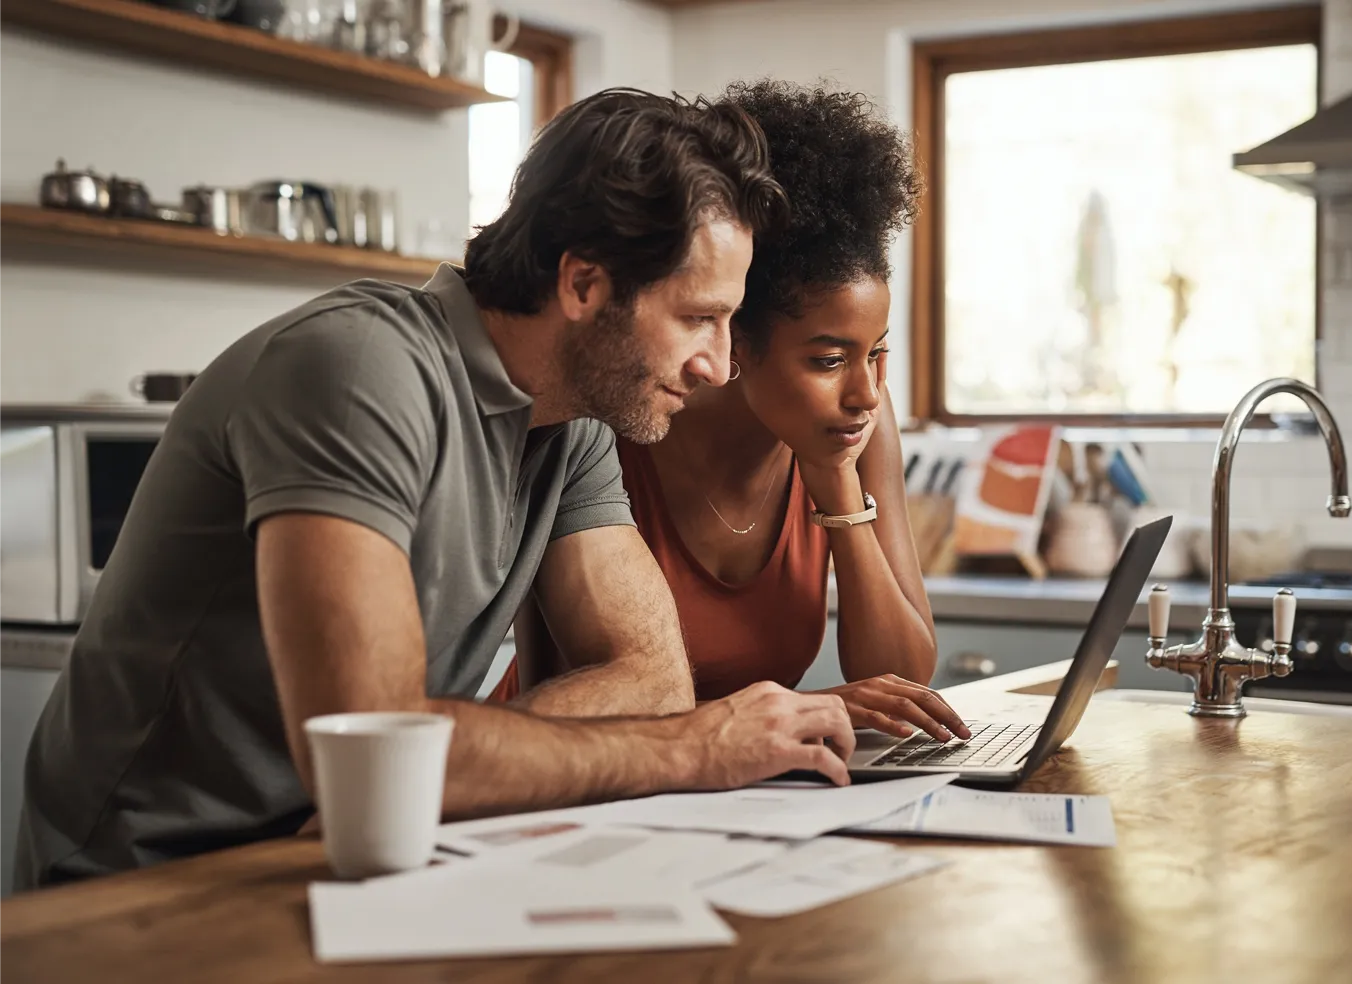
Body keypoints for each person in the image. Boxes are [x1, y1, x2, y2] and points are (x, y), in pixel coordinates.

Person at [15, 88, 857, 892]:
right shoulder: (357, 371)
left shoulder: (576, 424)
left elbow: (650, 679)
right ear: (584, 286)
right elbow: (377, 752)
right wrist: (688, 750)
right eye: (697, 317)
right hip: (155, 882)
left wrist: (438, 769)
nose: (715, 365)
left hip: (360, 853)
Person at [494, 82, 969, 745]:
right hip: (577, 768)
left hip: (740, 783)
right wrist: (802, 711)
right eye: (829, 360)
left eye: (878, 354)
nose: (866, 392)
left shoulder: (854, 425)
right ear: (736, 339)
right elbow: (578, 689)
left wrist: (834, 484)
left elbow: (903, 680)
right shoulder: (620, 417)